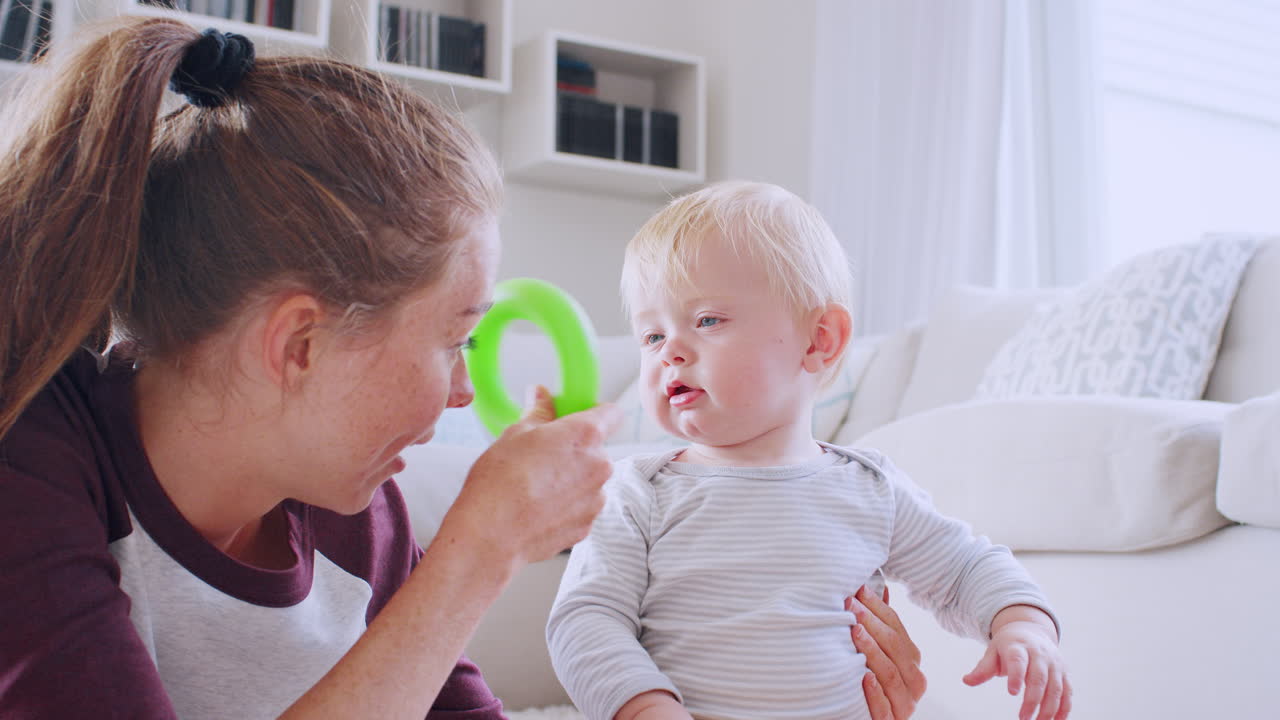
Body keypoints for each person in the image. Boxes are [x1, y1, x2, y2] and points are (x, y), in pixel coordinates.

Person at [0, 18, 925, 720]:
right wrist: (479, 553)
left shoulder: (357, 517)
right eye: (454, 340)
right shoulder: (30, 466)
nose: (460, 391)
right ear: (299, 345)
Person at [547, 181, 1072, 720]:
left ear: (820, 339)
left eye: (706, 320)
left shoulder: (871, 488)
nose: (671, 351)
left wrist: (1023, 625)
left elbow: (967, 569)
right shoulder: (638, 492)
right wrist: (644, 707)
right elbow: (586, 618)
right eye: (651, 336)